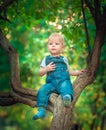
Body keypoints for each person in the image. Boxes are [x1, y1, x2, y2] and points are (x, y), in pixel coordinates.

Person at [32, 33, 86, 120]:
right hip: (51, 84)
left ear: (62, 47)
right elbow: (40, 73)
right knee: (42, 90)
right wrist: (46, 69)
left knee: (67, 86)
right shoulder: (46, 59)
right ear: (47, 46)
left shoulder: (64, 59)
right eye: (51, 44)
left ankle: (67, 97)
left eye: (56, 44)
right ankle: (41, 110)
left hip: (62, 81)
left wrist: (78, 72)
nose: (53, 45)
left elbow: (69, 71)